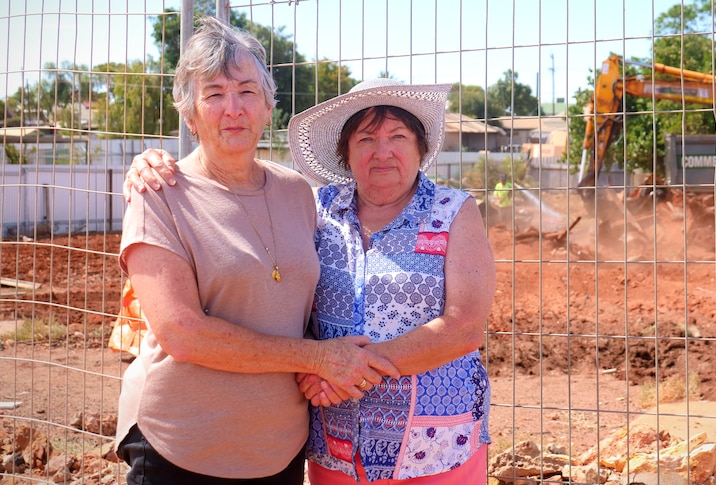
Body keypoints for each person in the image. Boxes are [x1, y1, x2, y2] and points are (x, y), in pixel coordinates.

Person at [125, 78, 497, 484]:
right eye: (366, 139)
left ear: (420, 147)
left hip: (432, 443)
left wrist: (348, 369)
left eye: (398, 136)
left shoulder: (454, 212)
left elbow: (463, 327)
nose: (383, 151)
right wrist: (150, 162)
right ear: (346, 153)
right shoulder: (316, 208)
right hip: (333, 443)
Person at [115, 18, 397, 485]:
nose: (233, 109)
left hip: (279, 449)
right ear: (189, 114)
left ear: (268, 107)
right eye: (214, 94)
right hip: (183, 448)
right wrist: (316, 359)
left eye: (247, 92)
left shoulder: (296, 193)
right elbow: (183, 334)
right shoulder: (158, 193)